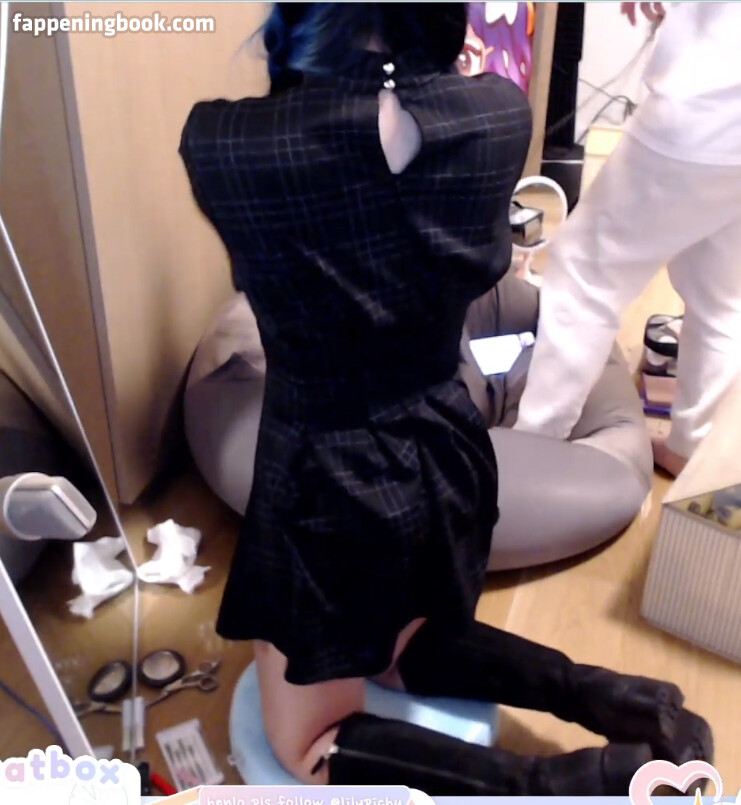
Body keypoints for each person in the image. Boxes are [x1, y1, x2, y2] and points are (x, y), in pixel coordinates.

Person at [178, 4, 712, 794]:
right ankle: (624, 701)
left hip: (323, 481)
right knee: (404, 643)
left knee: (307, 742)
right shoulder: (497, 113)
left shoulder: (223, 140)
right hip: (448, 451)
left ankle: (567, 783)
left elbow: (328, 157)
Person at [515, 1, 741, 478]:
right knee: (719, 294)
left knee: (583, 273)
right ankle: (690, 447)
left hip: (705, 107)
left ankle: (534, 445)